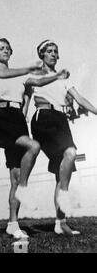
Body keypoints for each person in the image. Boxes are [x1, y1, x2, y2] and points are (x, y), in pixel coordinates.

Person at [0, 37, 69, 238]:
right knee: (34, 146)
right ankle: (24, 189)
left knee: (15, 177)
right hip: (0, 117)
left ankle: (13, 224)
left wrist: (57, 76)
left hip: (17, 119)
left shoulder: (20, 76)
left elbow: (38, 81)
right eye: (1, 48)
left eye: (7, 48)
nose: (5, 51)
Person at [29, 40, 97, 235]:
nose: (52, 54)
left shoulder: (64, 79)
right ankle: (64, 200)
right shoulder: (36, 74)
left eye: (55, 51)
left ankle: (61, 222)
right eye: (48, 51)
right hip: (44, 117)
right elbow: (26, 96)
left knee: (62, 171)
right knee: (71, 152)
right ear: (41, 54)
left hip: (60, 120)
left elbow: (80, 98)